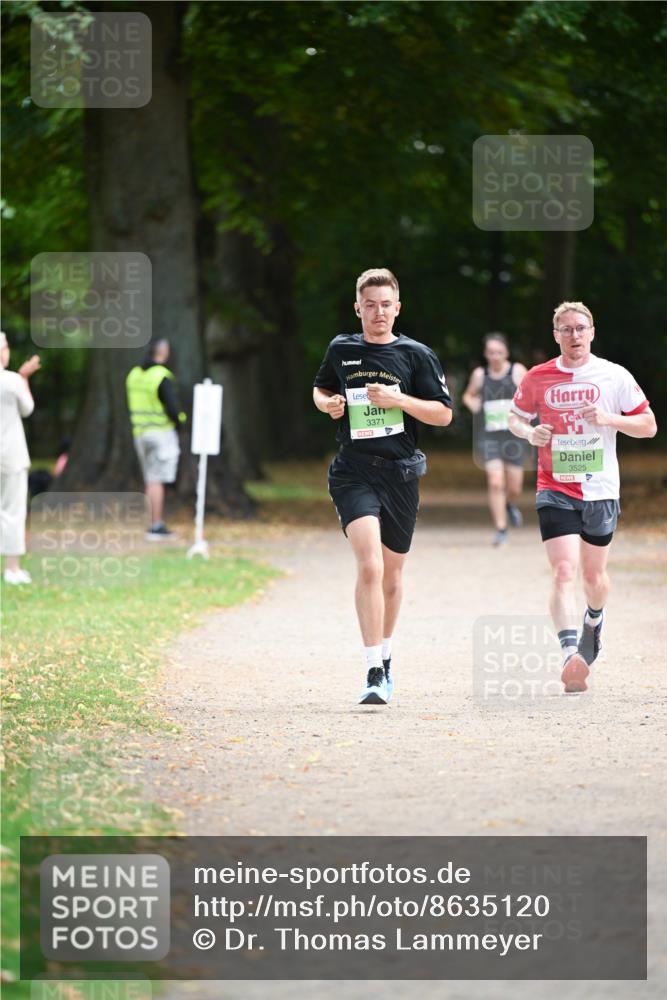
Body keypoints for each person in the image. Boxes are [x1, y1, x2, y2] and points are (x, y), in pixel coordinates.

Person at [313, 268, 453, 705]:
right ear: (358, 308)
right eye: (370, 305)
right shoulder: (342, 348)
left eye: (386, 305)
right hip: (353, 471)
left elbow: (443, 414)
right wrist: (329, 404)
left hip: (400, 475)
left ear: (398, 308)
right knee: (370, 567)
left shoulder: (416, 355)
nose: (378, 313)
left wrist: (399, 401)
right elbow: (320, 388)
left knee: (392, 575)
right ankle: (373, 669)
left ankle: (387, 656)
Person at [508, 301, 656, 693]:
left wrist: (609, 419)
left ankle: (594, 618)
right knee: (563, 571)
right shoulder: (538, 377)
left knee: (593, 577)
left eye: (580, 328)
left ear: (592, 332)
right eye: (567, 329)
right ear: (555, 335)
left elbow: (649, 426)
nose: (574, 335)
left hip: (600, 489)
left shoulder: (614, 375)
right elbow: (514, 417)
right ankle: (570, 654)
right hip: (554, 486)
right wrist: (529, 433)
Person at [462, 333, 528, 546]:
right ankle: (501, 528)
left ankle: (509, 504)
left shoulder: (517, 371)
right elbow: (468, 395)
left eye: (499, 352)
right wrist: (473, 404)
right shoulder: (480, 374)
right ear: (485, 354)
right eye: (491, 353)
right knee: (495, 481)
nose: (495, 356)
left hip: (514, 436)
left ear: (506, 352)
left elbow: (532, 394)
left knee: (515, 486)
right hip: (490, 436)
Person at [125, 339, 186, 540]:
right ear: (164, 352)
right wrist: (181, 422)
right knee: (157, 480)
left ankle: (152, 524)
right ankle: (156, 526)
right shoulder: (160, 376)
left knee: (150, 480)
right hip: (161, 433)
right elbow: (172, 407)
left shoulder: (134, 375)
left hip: (140, 433)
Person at [0, 332, 41, 584]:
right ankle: (12, 568)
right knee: (12, 510)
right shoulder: (11, 380)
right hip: (10, 454)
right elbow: (28, 408)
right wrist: (24, 377)